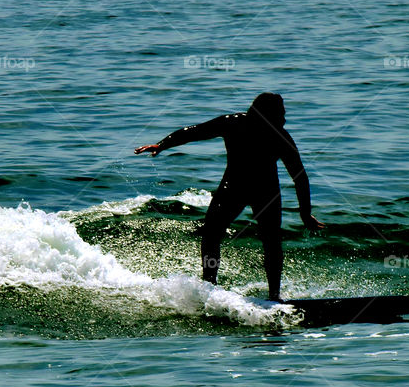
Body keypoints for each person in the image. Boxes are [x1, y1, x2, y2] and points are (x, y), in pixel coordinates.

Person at [134, 92, 323, 301]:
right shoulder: (233, 123)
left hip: (264, 192)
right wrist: (162, 144)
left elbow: (300, 176)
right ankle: (209, 287)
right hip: (235, 188)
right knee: (211, 234)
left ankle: (274, 295)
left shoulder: (280, 136)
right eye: (281, 114)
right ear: (266, 113)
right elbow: (196, 132)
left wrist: (305, 213)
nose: (284, 119)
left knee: (271, 241)